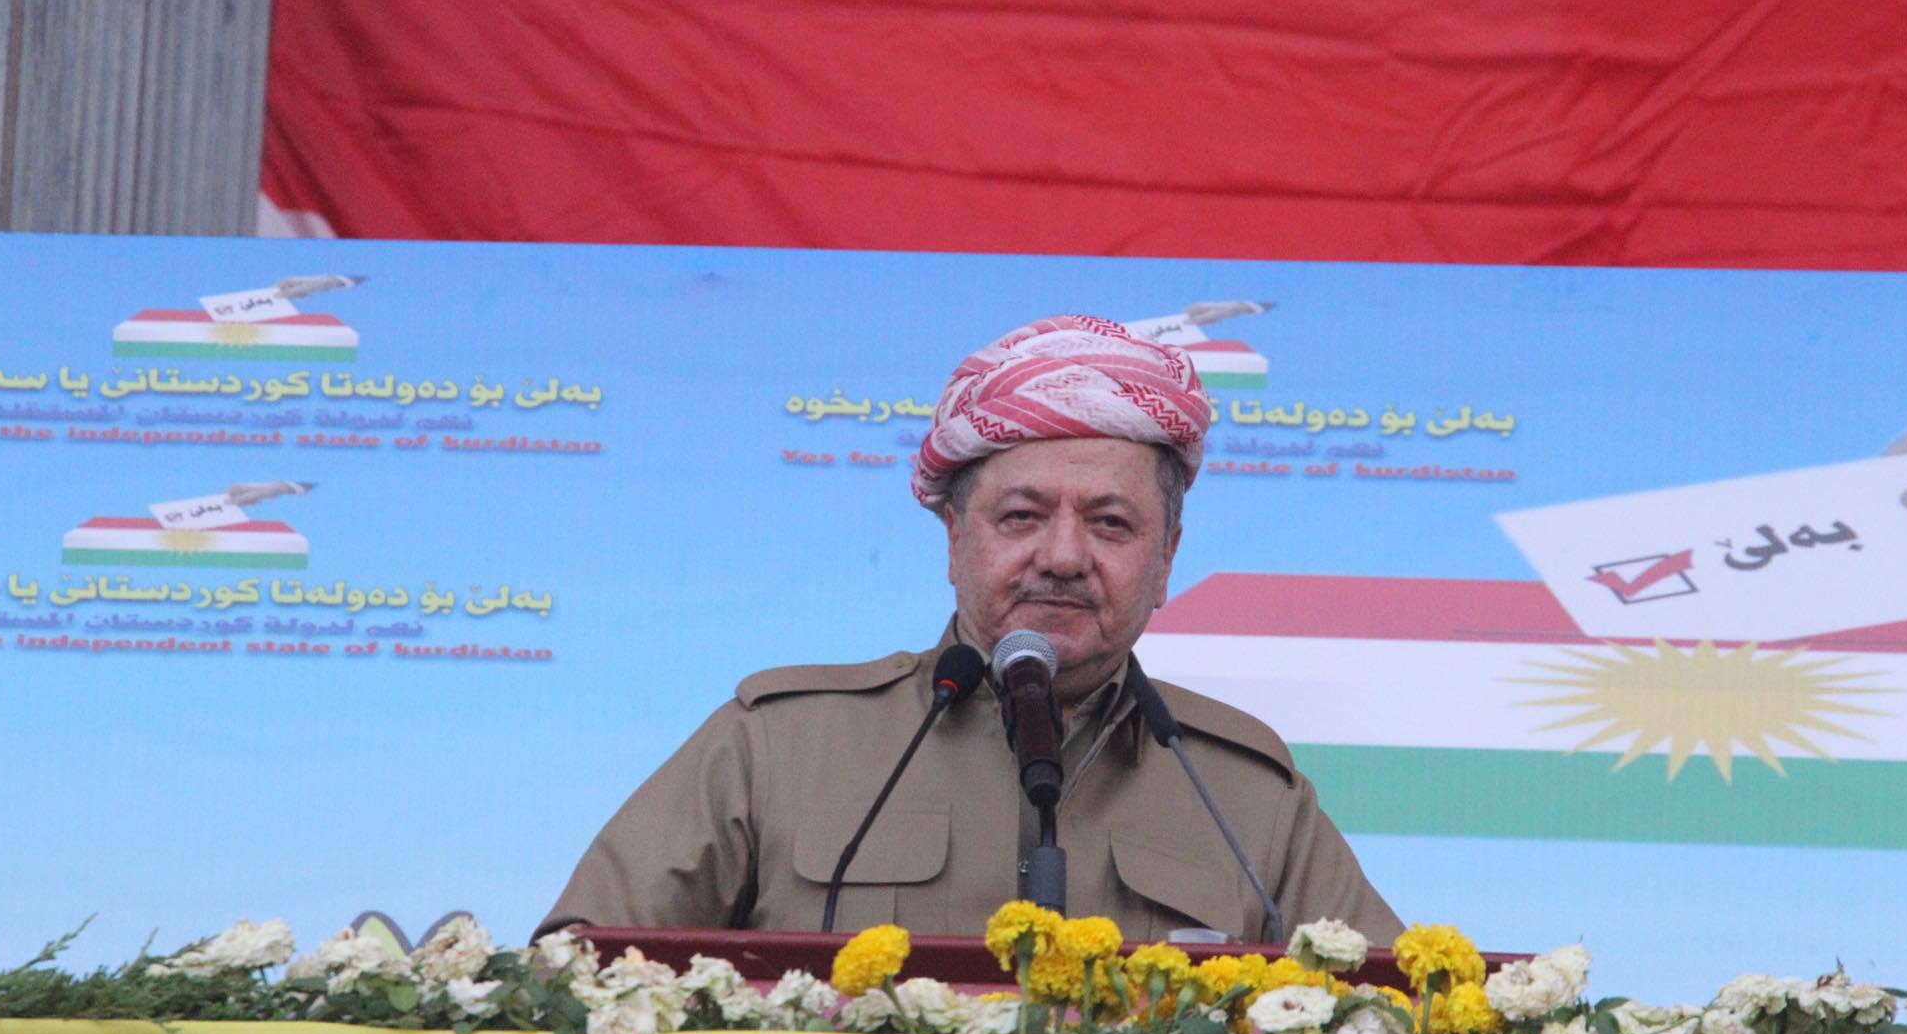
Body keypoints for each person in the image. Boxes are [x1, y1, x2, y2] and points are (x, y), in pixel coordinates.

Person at [537, 316, 1402, 945]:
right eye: (1021, 516)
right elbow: (579, 973)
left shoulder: (1248, 792)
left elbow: (1399, 1026)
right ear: (954, 537)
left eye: (1110, 524)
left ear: (1167, 556)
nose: (1062, 557)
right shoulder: (777, 745)